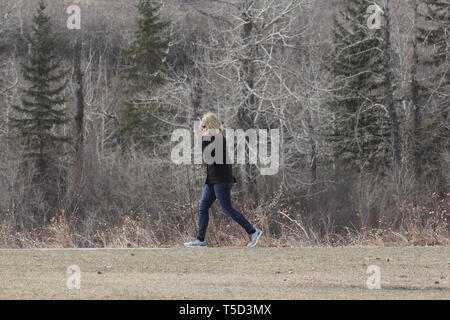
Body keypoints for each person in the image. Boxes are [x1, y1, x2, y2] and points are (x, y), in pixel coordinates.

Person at [184, 112, 262, 248]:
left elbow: (208, 157)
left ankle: (253, 232)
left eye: (204, 125)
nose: (202, 128)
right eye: (202, 126)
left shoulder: (218, 137)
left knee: (227, 209)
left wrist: (203, 140)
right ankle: (200, 240)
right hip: (213, 180)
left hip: (221, 180)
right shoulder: (213, 138)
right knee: (203, 207)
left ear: (210, 125)